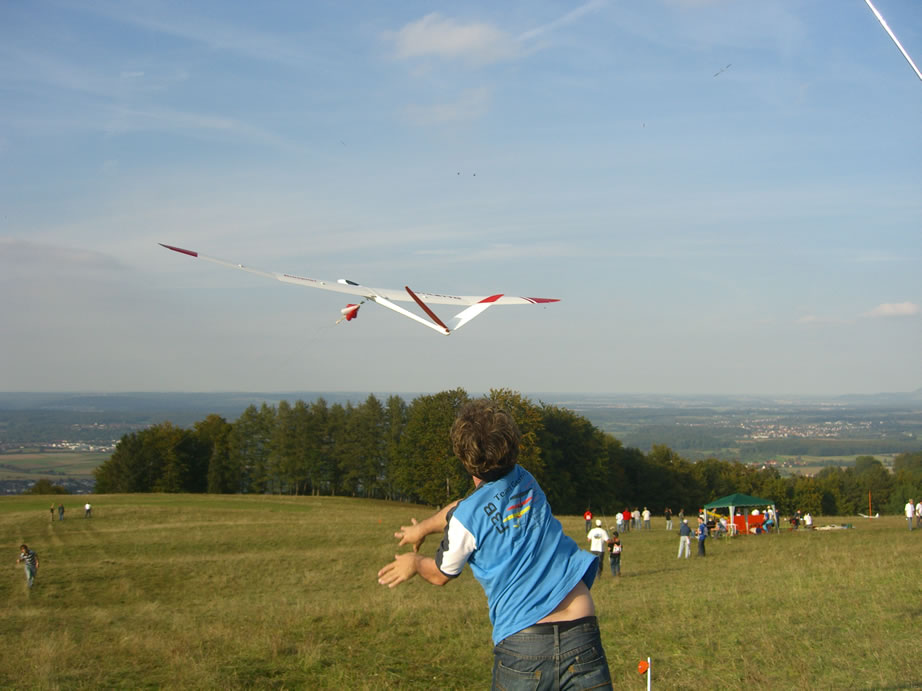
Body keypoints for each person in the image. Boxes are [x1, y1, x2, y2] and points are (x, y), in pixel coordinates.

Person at [377, 399, 613, 690]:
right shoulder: (525, 480)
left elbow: (440, 574)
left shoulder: (467, 519)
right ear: (511, 445)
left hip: (523, 643)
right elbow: (466, 507)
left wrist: (414, 563)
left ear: (464, 458)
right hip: (582, 630)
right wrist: (423, 528)